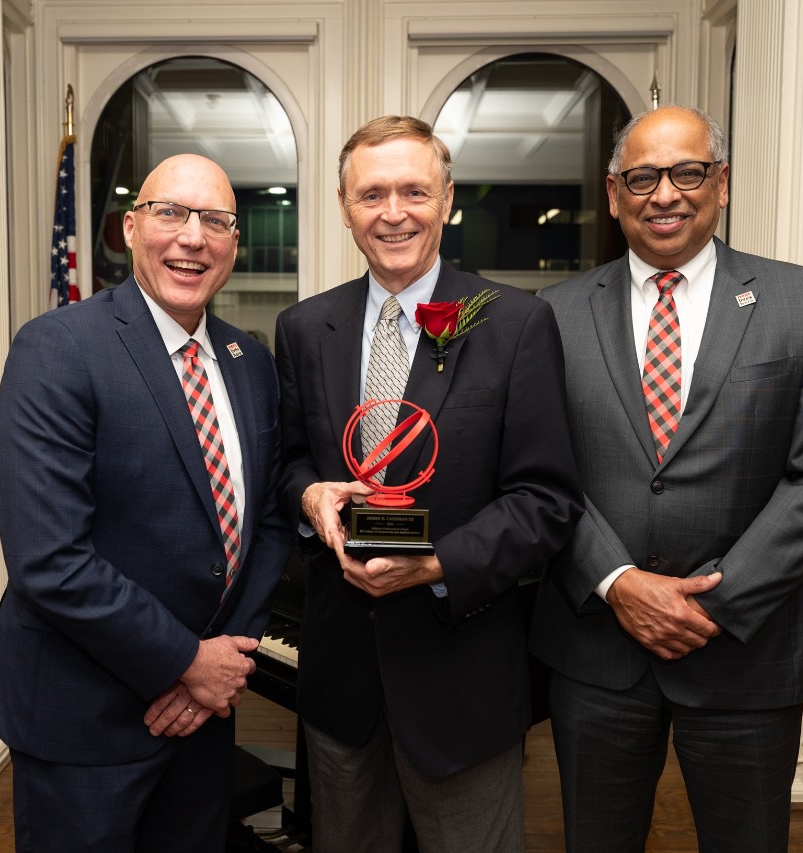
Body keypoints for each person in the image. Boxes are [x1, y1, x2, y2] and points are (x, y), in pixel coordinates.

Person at [530, 105, 803, 853]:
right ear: (614, 194)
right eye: (643, 178)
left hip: (746, 653)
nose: (665, 195)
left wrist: (716, 601)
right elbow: (540, 472)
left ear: (721, 183)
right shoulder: (550, 315)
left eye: (687, 173)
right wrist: (618, 580)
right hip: (596, 653)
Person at [274, 115, 581, 853]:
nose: (394, 211)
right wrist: (310, 496)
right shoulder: (304, 328)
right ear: (345, 208)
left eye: (414, 190)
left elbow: (547, 499)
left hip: (462, 680)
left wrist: (439, 563)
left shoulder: (516, 324)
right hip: (341, 679)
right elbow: (287, 462)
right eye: (372, 193)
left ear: (447, 200)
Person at [0, 153, 293, 852]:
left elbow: (266, 524)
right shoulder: (58, 349)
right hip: (83, 717)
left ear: (234, 243)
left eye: (215, 220)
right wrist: (187, 659)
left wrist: (222, 661)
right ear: (129, 228)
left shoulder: (252, 362)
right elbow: (50, 559)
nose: (193, 236)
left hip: (204, 715)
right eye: (170, 213)